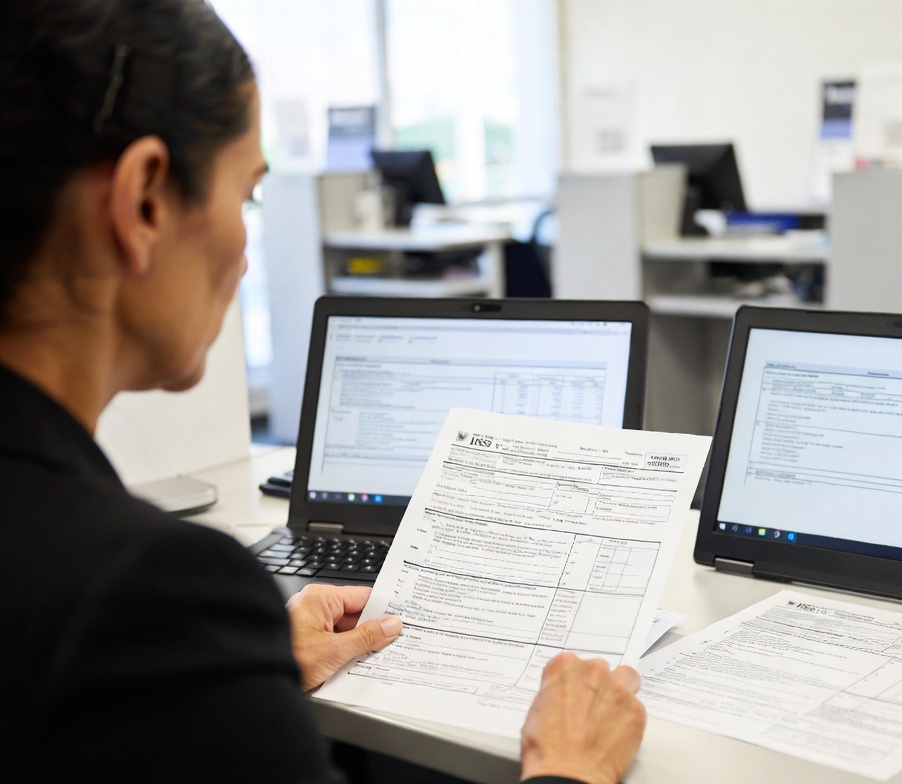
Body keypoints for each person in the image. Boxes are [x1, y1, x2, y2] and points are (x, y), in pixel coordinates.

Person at [0, 2, 647, 782]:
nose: (245, 251)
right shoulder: (147, 593)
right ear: (144, 202)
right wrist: (567, 768)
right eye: (247, 196)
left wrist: (223, 684)